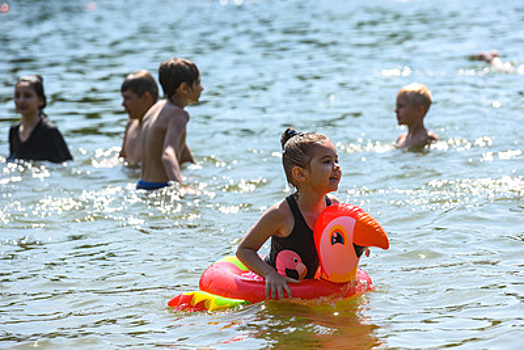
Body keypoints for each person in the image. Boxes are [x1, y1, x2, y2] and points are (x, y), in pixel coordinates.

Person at [236, 128, 341, 300]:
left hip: (311, 286)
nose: (336, 167)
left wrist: (359, 246)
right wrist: (270, 275)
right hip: (278, 288)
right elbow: (244, 250)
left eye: (336, 160)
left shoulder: (334, 206)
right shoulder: (282, 213)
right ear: (300, 174)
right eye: (327, 161)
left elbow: (343, 239)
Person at [137, 58, 203, 190]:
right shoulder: (179, 115)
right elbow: (168, 155)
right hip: (160, 187)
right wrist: (180, 187)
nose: (202, 88)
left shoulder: (156, 108)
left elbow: (176, 145)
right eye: (198, 83)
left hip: (142, 185)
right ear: (184, 88)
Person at [8, 75, 73, 163]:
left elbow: (67, 164)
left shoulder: (49, 131)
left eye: (27, 96)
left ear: (41, 101)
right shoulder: (14, 131)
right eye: (17, 96)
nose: (21, 101)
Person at [119, 70, 158, 166]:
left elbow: (187, 163)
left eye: (128, 98)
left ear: (146, 97)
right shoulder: (131, 124)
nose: (123, 104)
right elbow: (122, 158)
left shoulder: (161, 126)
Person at [394, 83, 438, 150]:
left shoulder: (427, 139)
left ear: (419, 110)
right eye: (397, 106)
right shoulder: (401, 139)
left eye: (401, 106)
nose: (396, 110)